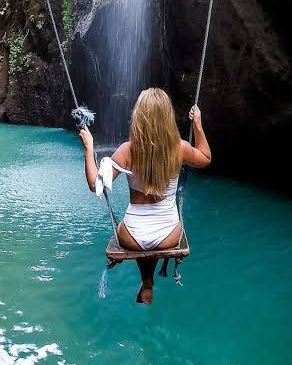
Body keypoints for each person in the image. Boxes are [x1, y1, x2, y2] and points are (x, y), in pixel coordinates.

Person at [80, 88, 211, 304]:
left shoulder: (126, 151)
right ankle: (149, 281)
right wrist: (197, 124)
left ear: (138, 117)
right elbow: (206, 157)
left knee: (142, 243)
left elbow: (96, 186)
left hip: (132, 237)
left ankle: (147, 280)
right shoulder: (180, 149)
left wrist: (89, 148)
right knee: (155, 244)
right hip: (168, 235)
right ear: (168, 117)